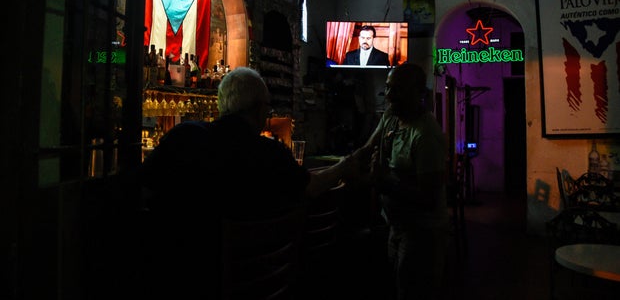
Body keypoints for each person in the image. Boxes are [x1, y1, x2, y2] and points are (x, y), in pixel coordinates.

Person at [137, 67, 355, 297]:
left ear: (222, 105)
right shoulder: (271, 153)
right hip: (257, 284)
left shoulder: (183, 136)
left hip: (172, 276)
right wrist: (344, 166)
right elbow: (311, 187)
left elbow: (143, 185)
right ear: (259, 110)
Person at [350, 62, 449, 300]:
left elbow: (428, 198)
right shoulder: (391, 116)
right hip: (396, 225)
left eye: (399, 89)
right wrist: (343, 166)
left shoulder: (426, 134)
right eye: (388, 88)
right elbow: (368, 148)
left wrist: (384, 181)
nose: (390, 95)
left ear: (419, 95)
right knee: (396, 285)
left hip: (421, 233)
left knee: (412, 290)